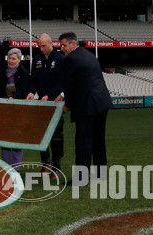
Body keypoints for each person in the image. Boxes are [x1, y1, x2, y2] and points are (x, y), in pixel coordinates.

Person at [55, 32, 113, 183]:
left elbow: (70, 86)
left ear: (73, 43)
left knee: (83, 142)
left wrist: (67, 105)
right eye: (60, 45)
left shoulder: (71, 59)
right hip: (101, 102)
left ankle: (81, 178)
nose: (62, 48)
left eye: (64, 45)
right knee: (98, 140)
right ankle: (101, 174)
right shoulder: (88, 55)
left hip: (87, 105)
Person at [26, 33, 66, 179]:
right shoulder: (36, 60)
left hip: (55, 103)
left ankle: (56, 166)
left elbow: (63, 82)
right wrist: (31, 92)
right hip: (41, 104)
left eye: (43, 46)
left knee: (56, 137)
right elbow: (33, 80)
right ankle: (46, 164)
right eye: (39, 46)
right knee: (42, 136)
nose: (41, 49)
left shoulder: (61, 59)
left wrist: (49, 95)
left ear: (51, 43)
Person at [0, 48, 30, 171]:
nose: (11, 60)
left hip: (18, 109)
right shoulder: (0, 72)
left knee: (16, 138)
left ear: (19, 60)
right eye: (9, 58)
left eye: (14, 58)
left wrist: (14, 97)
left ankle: (16, 167)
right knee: (5, 138)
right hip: (4, 109)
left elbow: (24, 90)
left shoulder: (24, 73)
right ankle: (6, 166)